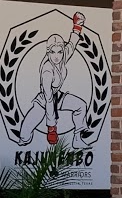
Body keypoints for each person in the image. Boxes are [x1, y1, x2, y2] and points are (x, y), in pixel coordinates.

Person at [17, 12, 88, 147]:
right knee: (24, 134)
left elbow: (72, 44)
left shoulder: (63, 56)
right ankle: (24, 139)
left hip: (58, 96)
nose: (57, 56)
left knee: (81, 105)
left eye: (59, 52)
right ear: (48, 52)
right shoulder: (47, 70)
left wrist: (77, 26)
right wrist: (51, 127)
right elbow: (49, 98)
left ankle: (78, 139)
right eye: (52, 52)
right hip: (44, 100)